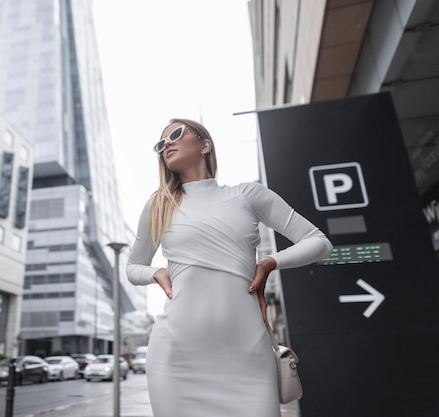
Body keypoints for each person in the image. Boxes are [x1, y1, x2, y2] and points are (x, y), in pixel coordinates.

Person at [126, 118, 333, 417]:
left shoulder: (247, 195)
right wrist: (155, 273)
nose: (166, 144)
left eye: (175, 134)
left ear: (205, 144)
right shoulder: (159, 204)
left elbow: (318, 242)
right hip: (176, 353)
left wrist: (270, 263)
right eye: (161, 144)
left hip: (247, 351)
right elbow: (133, 267)